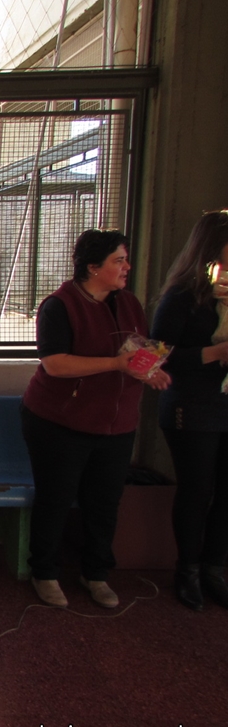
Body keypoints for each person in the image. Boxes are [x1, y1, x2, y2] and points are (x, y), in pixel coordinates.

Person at [21, 229, 170, 609]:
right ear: (92, 267)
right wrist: (117, 364)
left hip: (118, 424)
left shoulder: (130, 304)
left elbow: (137, 350)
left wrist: (149, 369)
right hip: (60, 421)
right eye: (118, 261)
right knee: (56, 498)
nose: (127, 267)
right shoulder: (59, 306)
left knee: (105, 502)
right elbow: (55, 364)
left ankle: (96, 573)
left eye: (125, 260)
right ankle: (45, 572)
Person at [151, 209, 228, 611]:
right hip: (193, 404)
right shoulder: (184, 295)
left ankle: (215, 567)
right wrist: (214, 353)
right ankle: (188, 570)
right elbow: (156, 354)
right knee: (197, 490)